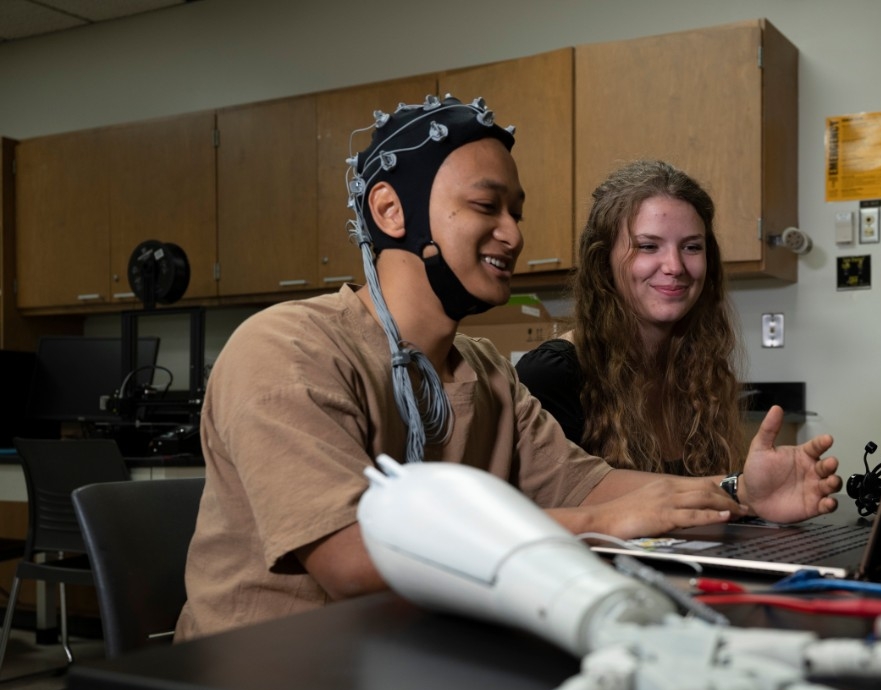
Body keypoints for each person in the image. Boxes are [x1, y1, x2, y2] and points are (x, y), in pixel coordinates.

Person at [174, 96, 840, 641]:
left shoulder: (485, 370)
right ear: (389, 209)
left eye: (515, 211)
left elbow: (595, 486)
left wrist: (739, 492)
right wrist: (597, 525)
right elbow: (353, 559)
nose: (514, 233)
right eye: (487, 206)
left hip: (409, 664)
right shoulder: (286, 349)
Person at [517, 160, 744, 476]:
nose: (675, 266)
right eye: (649, 246)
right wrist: (736, 489)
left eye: (692, 247)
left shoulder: (700, 372)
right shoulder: (552, 375)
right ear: (603, 260)